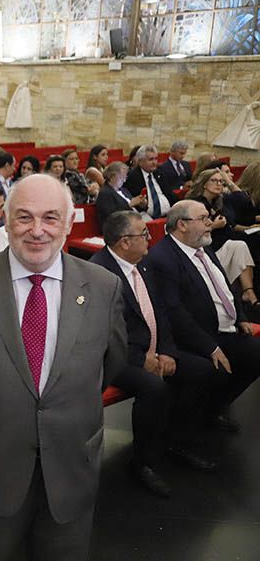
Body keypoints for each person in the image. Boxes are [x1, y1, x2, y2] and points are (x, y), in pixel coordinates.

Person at [0, 174, 127, 561]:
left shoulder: (104, 287)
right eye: (24, 217)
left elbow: (111, 364)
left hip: (72, 472)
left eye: (51, 218)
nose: (37, 231)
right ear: (5, 220)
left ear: (70, 223)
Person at [90, 212, 218, 497]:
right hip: (116, 356)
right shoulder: (98, 273)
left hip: (153, 348)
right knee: (153, 387)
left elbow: (160, 311)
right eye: (143, 234)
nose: (150, 238)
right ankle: (142, 462)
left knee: (202, 370)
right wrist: (141, 359)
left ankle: (176, 440)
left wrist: (167, 351)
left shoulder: (143, 265)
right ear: (125, 242)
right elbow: (104, 333)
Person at [146, 200, 260, 433]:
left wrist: (240, 316)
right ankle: (184, 431)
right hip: (194, 337)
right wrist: (210, 347)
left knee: (255, 355)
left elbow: (224, 286)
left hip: (224, 327)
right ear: (182, 225)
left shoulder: (203, 247)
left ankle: (214, 408)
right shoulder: (163, 258)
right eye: (203, 219)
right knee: (211, 371)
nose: (210, 223)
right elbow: (174, 312)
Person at [187, 167, 258, 306]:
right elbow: (191, 233)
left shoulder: (221, 200)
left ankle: (248, 292)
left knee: (241, 244)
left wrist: (229, 183)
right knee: (244, 243)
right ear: (204, 184)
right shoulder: (195, 204)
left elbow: (242, 200)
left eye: (221, 181)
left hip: (223, 243)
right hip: (205, 249)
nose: (219, 184)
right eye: (214, 181)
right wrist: (213, 226)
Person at [124, 145, 176, 220]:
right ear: (140, 161)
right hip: (146, 216)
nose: (154, 162)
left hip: (169, 213)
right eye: (151, 159)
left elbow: (170, 194)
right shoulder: (133, 177)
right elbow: (135, 202)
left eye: (156, 159)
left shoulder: (160, 173)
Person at [97, 162, 147, 233]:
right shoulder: (105, 193)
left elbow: (134, 207)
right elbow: (110, 216)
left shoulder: (124, 190)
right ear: (112, 176)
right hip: (119, 227)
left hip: (134, 220)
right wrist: (129, 205)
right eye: (121, 177)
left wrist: (142, 204)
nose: (124, 180)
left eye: (125, 177)